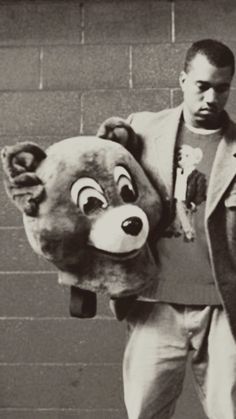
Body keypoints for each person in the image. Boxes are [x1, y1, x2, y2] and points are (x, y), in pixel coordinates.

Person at [97, 39, 236, 419]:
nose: (211, 97)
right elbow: (100, 182)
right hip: (154, 302)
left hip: (223, 309)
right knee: (144, 412)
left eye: (222, 88)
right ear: (183, 80)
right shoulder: (142, 128)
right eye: (202, 86)